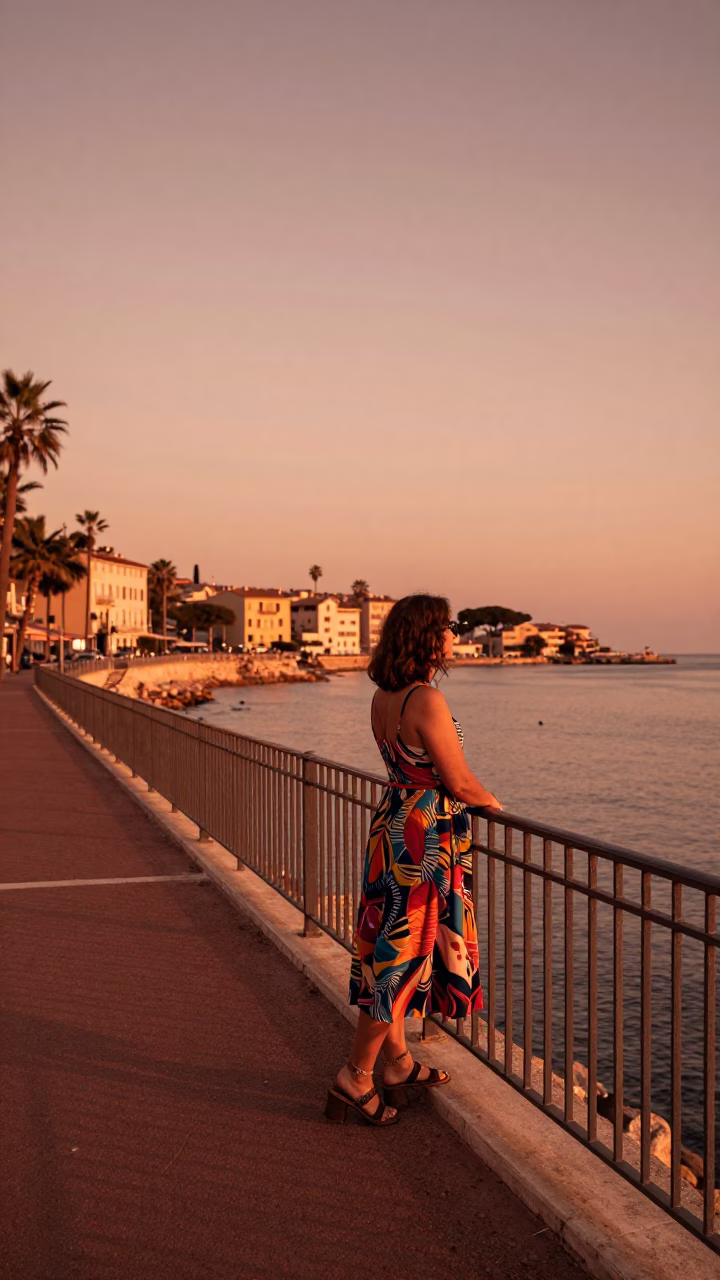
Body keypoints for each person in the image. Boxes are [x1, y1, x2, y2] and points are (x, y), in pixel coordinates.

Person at [325, 593, 502, 1127]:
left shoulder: (384, 696)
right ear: (428, 636)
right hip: (422, 840)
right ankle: (355, 1076)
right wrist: (494, 803)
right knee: (399, 962)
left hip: (392, 826)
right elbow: (459, 779)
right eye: (447, 627)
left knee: (388, 949)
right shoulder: (426, 699)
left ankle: (397, 1063)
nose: (453, 634)